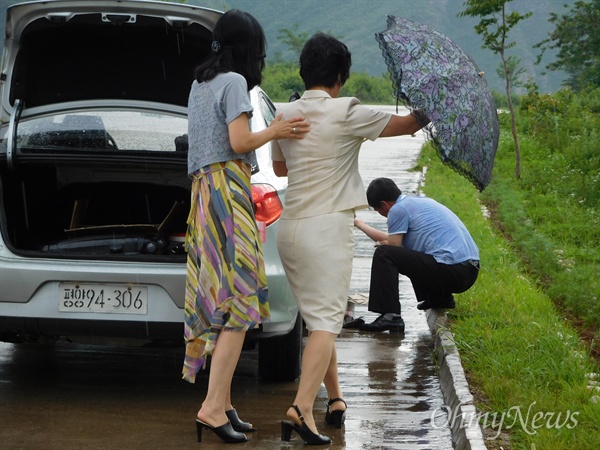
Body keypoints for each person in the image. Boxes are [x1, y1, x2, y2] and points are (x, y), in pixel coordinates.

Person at [271, 32, 427, 445]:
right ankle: (300, 409)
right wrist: (433, 105)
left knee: (320, 320)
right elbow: (408, 124)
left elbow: (281, 170)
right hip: (326, 230)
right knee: (326, 324)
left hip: (290, 230)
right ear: (340, 76)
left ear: (304, 71)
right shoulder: (347, 111)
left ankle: (335, 399)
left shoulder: (284, 112)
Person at [182, 10, 310, 444]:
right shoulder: (235, 82)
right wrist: (275, 128)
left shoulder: (199, 84)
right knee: (241, 304)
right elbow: (238, 143)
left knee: (224, 301)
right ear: (249, 48)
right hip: (229, 191)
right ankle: (212, 407)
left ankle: (226, 402)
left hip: (203, 194)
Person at [352, 177, 480, 332]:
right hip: (468, 270)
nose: (380, 214)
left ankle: (390, 316)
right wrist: (360, 224)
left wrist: (381, 242)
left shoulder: (397, 210)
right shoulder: (418, 202)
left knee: (384, 254)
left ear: (384, 204)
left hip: (453, 271)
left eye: (377, 210)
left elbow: (392, 246)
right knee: (404, 250)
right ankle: (439, 297)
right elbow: (394, 243)